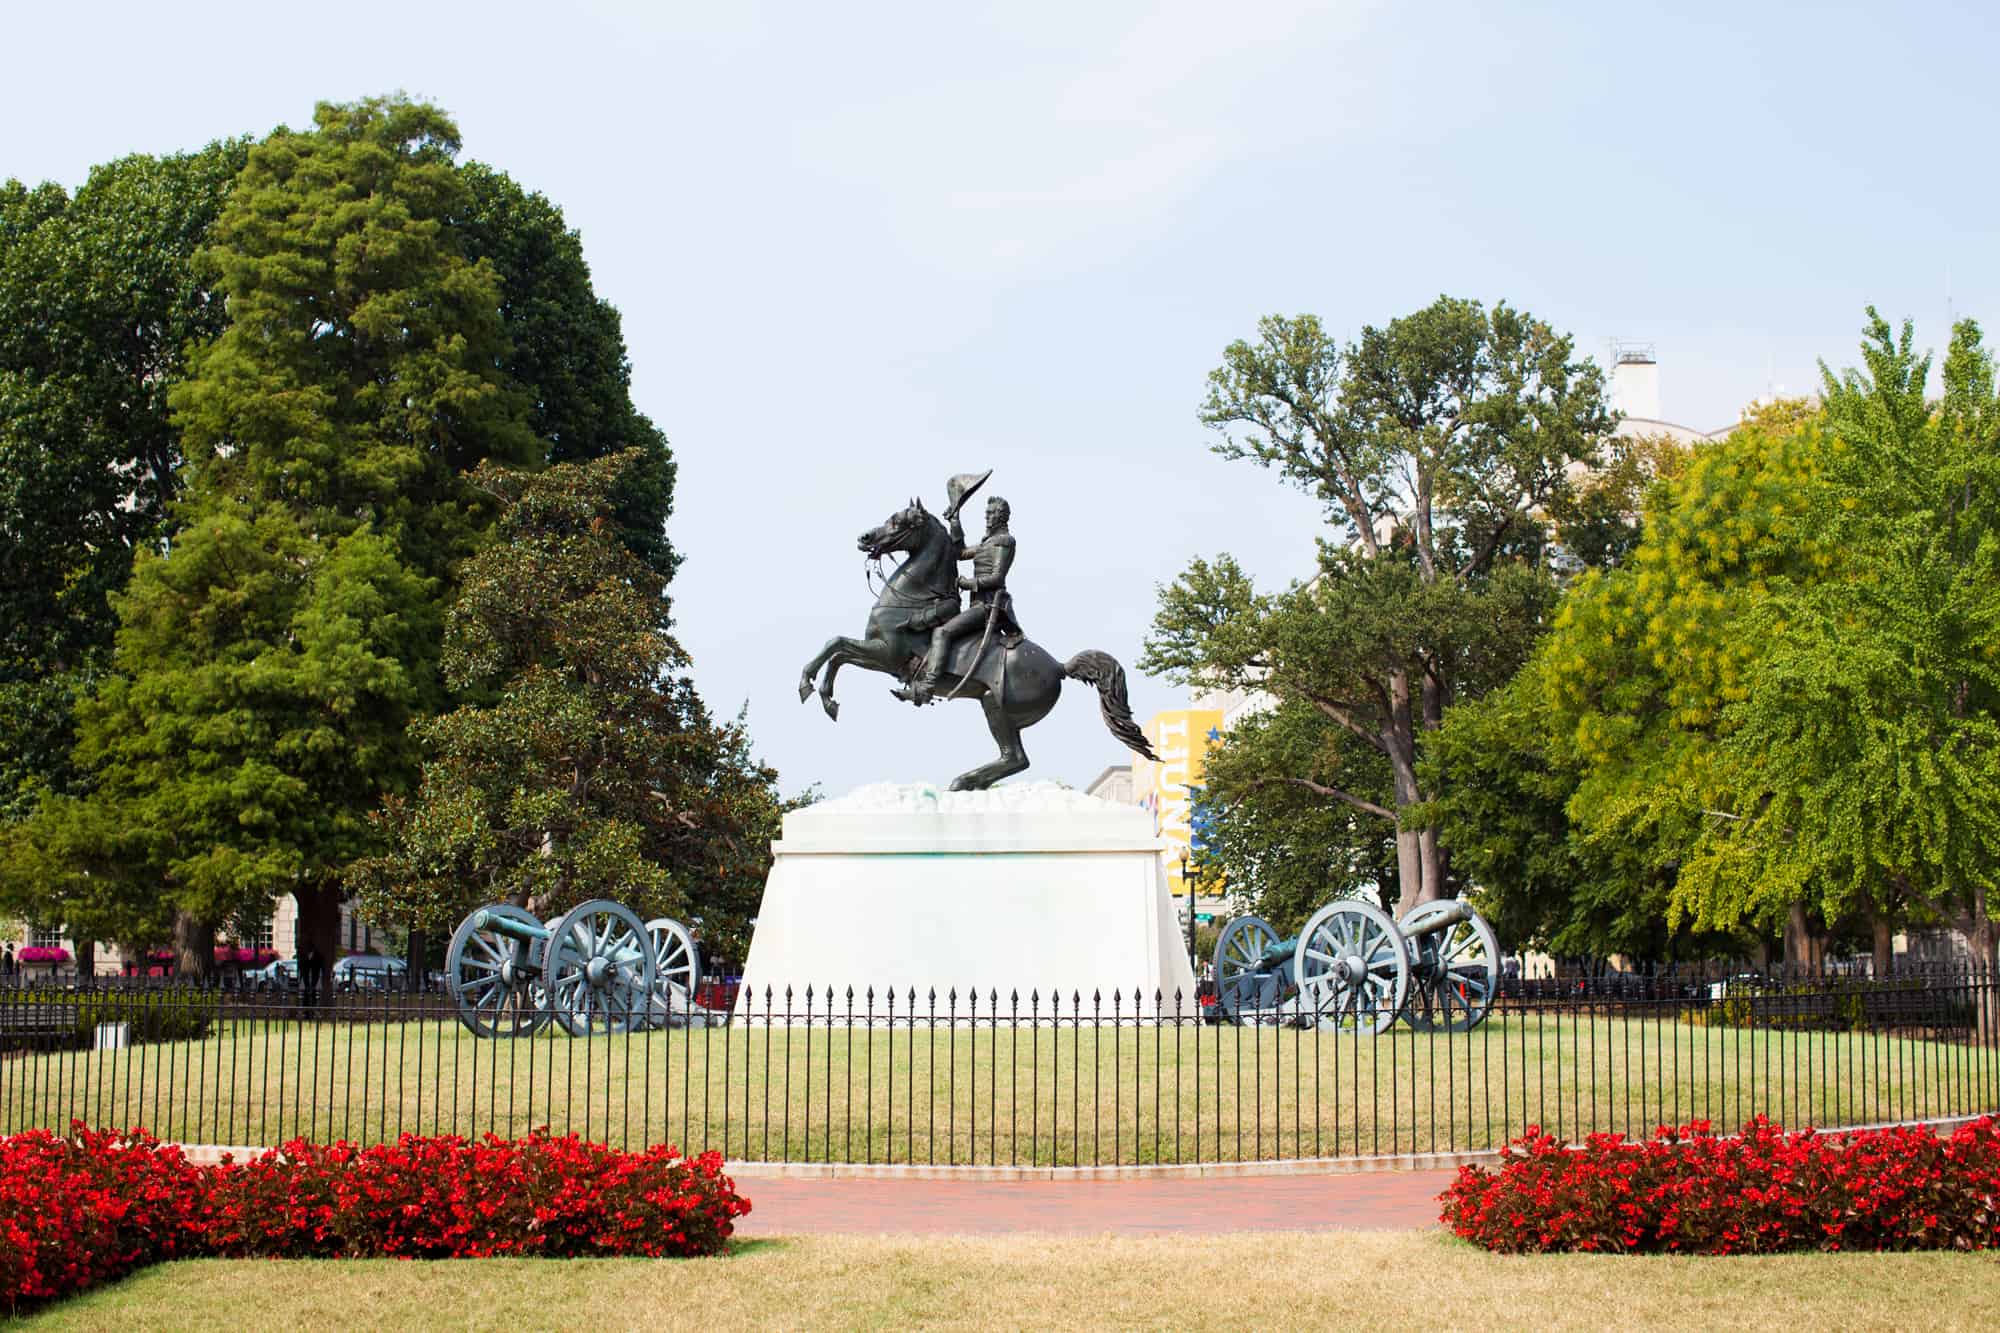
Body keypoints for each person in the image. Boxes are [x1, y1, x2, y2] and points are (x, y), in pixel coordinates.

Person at [907, 492, 1021, 704]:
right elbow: (960, 552)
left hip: (988, 606)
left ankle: (927, 686)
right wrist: (955, 521)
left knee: (942, 633)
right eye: (986, 514)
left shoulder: (1004, 542)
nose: (986, 518)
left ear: (1001, 516)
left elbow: (997, 577)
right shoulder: (988, 542)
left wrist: (968, 583)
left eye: (990, 514)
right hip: (977, 604)